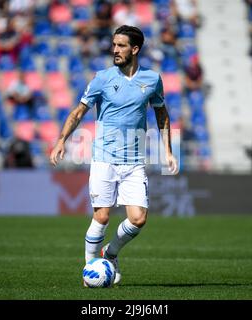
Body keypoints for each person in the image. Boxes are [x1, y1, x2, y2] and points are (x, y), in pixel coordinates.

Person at [49, 25, 178, 286]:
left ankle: (111, 252)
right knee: (102, 216)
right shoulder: (102, 78)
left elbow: (161, 114)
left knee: (139, 219)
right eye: (114, 45)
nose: (115, 50)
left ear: (135, 49)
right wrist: (62, 139)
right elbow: (78, 112)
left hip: (134, 162)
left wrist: (167, 151)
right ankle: (90, 269)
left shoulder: (152, 80)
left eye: (121, 45)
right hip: (104, 159)